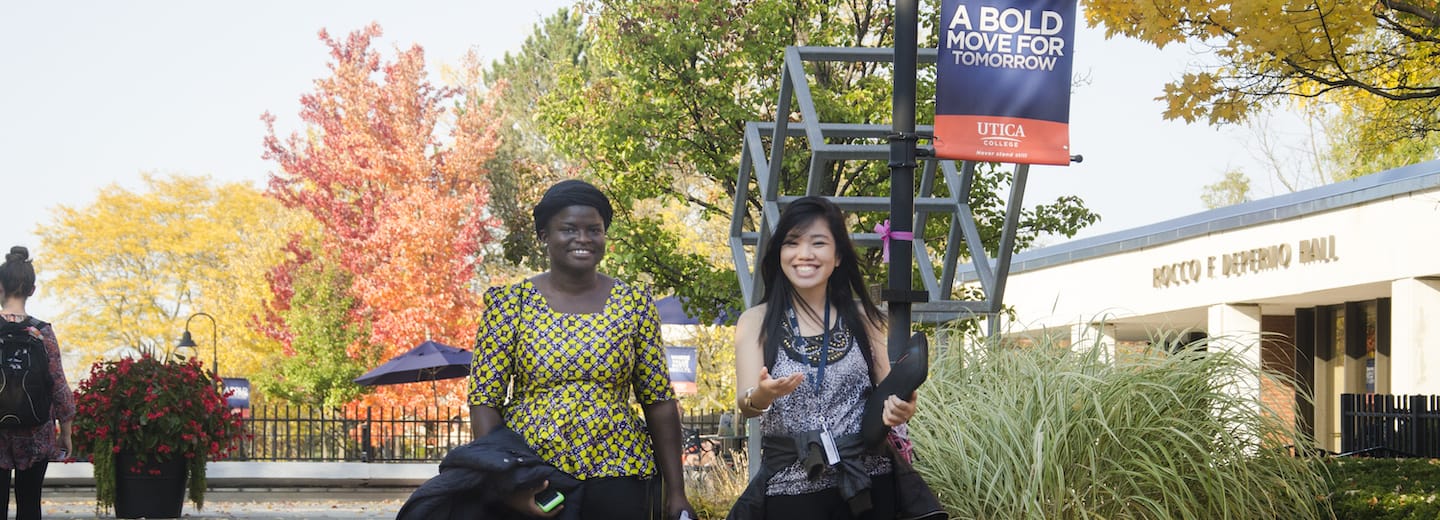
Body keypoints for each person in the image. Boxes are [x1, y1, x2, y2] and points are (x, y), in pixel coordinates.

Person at [467, 179, 694, 520]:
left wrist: (676, 492)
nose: (583, 239)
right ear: (544, 235)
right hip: (535, 474)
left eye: (594, 229)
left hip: (620, 470)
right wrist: (509, 482)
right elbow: (484, 401)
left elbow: (658, 401)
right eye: (569, 229)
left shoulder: (634, 304)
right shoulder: (510, 304)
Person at [728, 197, 945, 520]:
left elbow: (889, 396)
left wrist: (905, 407)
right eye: (792, 243)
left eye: (818, 243)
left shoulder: (866, 318)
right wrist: (762, 394)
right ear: (779, 254)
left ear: (838, 255)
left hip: (869, 484)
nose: (804, 254)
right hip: (792, 490)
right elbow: (745, 405)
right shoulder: (755, 321)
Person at [0, 246, 74, 520]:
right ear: (32, 289)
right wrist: (66, 430)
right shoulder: (42, 333)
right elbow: (58, 384)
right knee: (30, 505)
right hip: (35, 433)